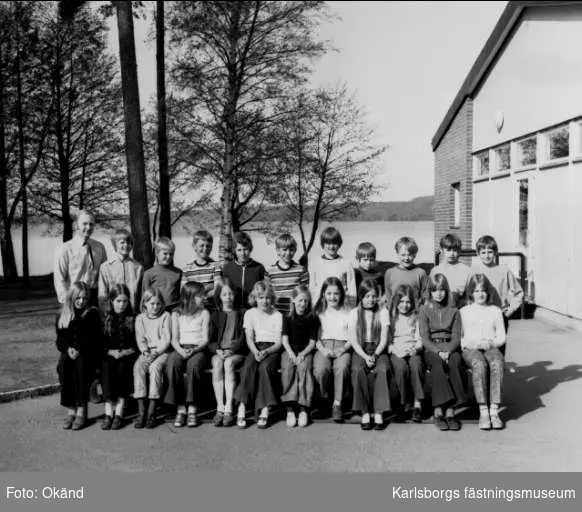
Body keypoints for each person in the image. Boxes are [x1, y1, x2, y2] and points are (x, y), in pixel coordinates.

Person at [419, 274, 466, 431]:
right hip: (432, 348)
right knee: (437, 365)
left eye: (442, 290)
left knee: (456, 362)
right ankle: (438, 410)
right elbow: (425, 337)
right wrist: (439, 352)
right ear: (430, 292)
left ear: (447, 291)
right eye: (434, 290)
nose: (438, 293)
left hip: (451, 347)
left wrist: (449, 351)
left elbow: (457, 336)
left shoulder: (454, 311)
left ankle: (451, 410)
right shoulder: (424, 310)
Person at [234, 281, 283, 429]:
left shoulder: (277, 314)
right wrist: (255, 351)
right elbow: (249, 337)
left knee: (265, 368)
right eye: (261, 297)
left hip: (272, 348)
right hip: (255, 347)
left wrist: (267, 351)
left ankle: (265, 408)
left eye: (268, 297)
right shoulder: (250, 313)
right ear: (255, 298)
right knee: (248, 367)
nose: (264, 301)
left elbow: (279, 342)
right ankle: (242, 406)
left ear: (272, 299)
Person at [461, 274, 506, 431]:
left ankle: (494, 411)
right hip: (470, 349)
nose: (480, 294)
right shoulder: (464, 311)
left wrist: (491, 343)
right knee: (479, 364)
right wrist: (474, 343)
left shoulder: (495, 311)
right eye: (476, 290)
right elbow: (460, 338)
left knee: (497, 362)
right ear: (471, 293)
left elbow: (501, 337)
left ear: (488, 292)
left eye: (483, 290)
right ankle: (484, 412)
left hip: (490, 347)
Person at [55, 281, 102, 431]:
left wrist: (79, 349)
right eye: (78, 298)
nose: (81, 301)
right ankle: (71, 409)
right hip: (69, 351)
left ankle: (81, 410)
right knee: (64, 366)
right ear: (71, 297)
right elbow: (60, 339)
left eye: (85, 298)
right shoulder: (63, 314)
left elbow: (92, 337)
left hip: (87, 351)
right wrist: (68, 349)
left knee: (81, 367)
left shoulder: (92, 313)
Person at [165, 282, 211, 428]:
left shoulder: (204, 313)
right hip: (180, 347)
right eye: (200, 295)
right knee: (172, 363)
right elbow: (174, 339)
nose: (204, 297)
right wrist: (180, 350)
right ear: (189, 297)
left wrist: (194, 350)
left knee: (194, 366)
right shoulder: (176, 313)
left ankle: (192, 408)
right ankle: (180, 407)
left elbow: (205, 339)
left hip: (198, 349)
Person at [349, 279, 391, 431]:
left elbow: (384, 338)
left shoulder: (383, 312)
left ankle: (378, 412)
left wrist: (375, 354)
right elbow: (353, 340)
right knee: (357, 370)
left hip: (378, 347)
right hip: (361, 348)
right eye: (367, 296)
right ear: (361, 296)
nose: (371, 300)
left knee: (382, 370)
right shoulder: (354, 313)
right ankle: (365, 411)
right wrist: (365, 356)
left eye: (374, 296)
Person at [208, 278, 248, 427]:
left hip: (236, 352)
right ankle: (220, 407)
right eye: (224, 294)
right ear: (219, 296)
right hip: (219, 352)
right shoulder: (215, 315)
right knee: (218, 363)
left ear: (235, 295)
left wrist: (232, 350)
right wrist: (217, 350)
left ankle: (229, 407)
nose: (228, 297)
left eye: (231, 294)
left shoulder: (242, 313)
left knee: (229, 363)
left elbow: (244, 338)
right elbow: (210, 340)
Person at [469, 235, 524, 340]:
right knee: (480, 347)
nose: (487, 256)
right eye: (483, 253)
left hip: (499, 315)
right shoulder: (473, 271)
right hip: (478, 316)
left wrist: (509, 311)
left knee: (499, 349)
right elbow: (468, 294)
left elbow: (518, 293)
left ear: (495, 252)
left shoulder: (504, 271)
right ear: (478, 253)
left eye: (490, 252)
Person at [313, 277, 352, 423]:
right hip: (323, 345)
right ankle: (323, 399)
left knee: (341, 368)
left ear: (341, 294)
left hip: (343, 345)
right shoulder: (318, 311)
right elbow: (314, 337)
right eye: (329, 293)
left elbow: (352, 337)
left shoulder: (348, 311)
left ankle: (337, 404)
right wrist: (323, 350)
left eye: (336, 293)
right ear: (323, 294)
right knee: (321, 369)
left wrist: (343, 349)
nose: (332, 297)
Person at [280, 285, 319, 428]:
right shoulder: (288, 317)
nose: (303, 304)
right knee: (288, 368)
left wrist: (302, 355)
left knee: (304, 369)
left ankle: (303, 409)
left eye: (306, 301)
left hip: (305, 351)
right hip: (289, 350)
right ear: (294, 300)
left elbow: (313, 342)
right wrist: (291, 354)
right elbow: (284, 340)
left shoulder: (312, 318)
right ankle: (290, 408)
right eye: (301, 300)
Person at [100, 284, 137, 431]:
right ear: (111, 301)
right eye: (118, 301)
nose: (121, 305)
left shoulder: (132, 318)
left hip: (128, 354)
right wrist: (110, 352)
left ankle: (119, 413)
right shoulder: (105, 319)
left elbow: (137, 344)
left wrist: (125, 352)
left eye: (125, 301)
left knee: (122, 367)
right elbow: (100, 343)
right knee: (107, 366)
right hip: (109, 354)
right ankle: (108, 412)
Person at [133, 288, 171, 429]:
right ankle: (141, 411)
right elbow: (140, 338)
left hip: (162, 352)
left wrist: (157, 352)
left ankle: (151, 412)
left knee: (155, 368)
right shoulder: (140, 318)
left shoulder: (166, 316)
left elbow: (166, 339)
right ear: (145, 304)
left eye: (158, 304)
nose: (155, 307)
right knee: (138, 367)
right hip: (146, 352)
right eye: (152, 303)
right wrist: (144, 351)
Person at [54, 210, 107, 306]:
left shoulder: (99, 247)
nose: (88, 227)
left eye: (91, 224)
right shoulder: (64, 249)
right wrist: (66, 302)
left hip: (94, 299)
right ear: (76, 226)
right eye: (85, 224)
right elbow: (59, 279)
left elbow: (104, 275)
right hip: (74, 298)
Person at [388, 284, 424, 422]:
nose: (405, 305)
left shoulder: (416, 317)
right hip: (397, 351)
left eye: (408, 302)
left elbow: (419, 338)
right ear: (396, 302)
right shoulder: (392, 317)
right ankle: (404, 403)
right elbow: (388, 341)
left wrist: (415, 349)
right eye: (401, 302)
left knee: (416, 366)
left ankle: (417, 404)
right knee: (401, 368)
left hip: (413, 349)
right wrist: (397, 351)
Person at [308, 227, 356, 307]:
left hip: (341, 305)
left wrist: (351, 306)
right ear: (323, 244)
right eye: (328, 243)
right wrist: (312, 305)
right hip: (320, 305)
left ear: (339, 244)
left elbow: (351, 288)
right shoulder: (315, 263)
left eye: (334, 243)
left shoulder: (346, 263)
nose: (331, 246)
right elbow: (312, 287)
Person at [98, 229, 144, 313]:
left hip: (132, 312)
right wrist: (106, 312)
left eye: (129, 242)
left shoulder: (138, 267)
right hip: (112, 312)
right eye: (122, 242)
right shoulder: (106, 267)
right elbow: (102, 294)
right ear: (115, 244)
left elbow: (141, 293)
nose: (126, 245)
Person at [265, 233, 309, 315]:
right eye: (284, 250)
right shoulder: (270, 271)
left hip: (295, 313)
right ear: (278, 250)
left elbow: (304, 293)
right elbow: (267, 293)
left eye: (291, 250)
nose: (288, 253)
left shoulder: (301, 270)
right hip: (276, 313)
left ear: (295, 250)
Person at [221, 231, 266, 310]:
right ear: (234, 250)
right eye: (239, 250)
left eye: (245, 249)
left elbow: (264, 290)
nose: (243, 253)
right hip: (233, 310)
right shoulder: (227, 268)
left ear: (250, 249)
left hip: (253, 309)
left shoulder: (259, 268)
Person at [181, 229, 223, 311]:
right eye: (202, 245)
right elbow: (184, 292)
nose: (205, 248)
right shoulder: (187, 269)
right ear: (194, 246)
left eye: (208, 246)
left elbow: (218, 288)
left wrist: (203, 296)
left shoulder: (215, 266)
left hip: (211, 309)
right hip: (193, 310)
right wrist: (207, 288)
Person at [429, 233, 471, 308]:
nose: (451, 253)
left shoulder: (466, 270)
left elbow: (469, 296)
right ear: (441, 250)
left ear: (459, 251)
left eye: (455, 250)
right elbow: (429, 294)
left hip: (458, 309)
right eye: (448, 250)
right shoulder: (435, 270)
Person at [384, 237, 427, 307]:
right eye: (403, 255)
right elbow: (388, 295)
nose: (406, 258)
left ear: (415, 255)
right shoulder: (389, 273)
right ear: (397, 254)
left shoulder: (421, 273)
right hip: (395, 314)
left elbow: (424, 296)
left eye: (409, 255)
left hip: (415, 314)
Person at [142, 237, 182, 312]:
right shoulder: (149, 274)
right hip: (156, 309)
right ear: (157, 253)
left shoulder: (178, 272)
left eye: (171, 254)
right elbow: (145, 296)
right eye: (165, 254)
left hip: (174, 309)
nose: (168, 257)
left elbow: (181, 294)